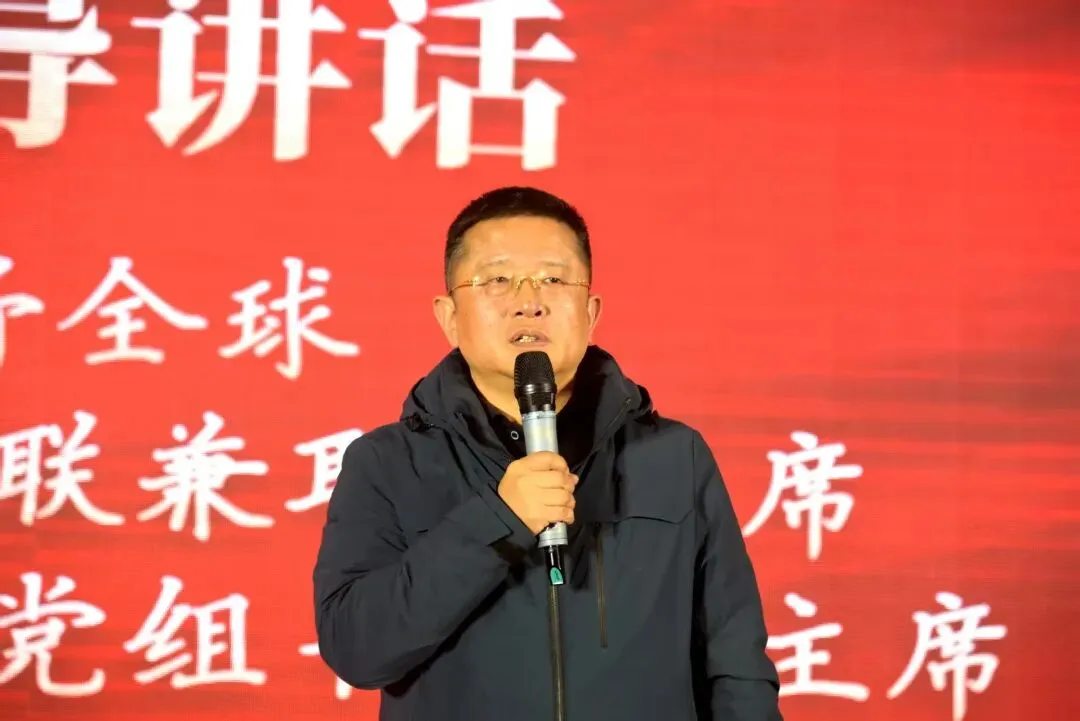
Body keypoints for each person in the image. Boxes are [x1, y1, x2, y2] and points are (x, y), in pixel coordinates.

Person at [313, 186, 782, 720]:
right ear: (449, 316)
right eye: (497, 280)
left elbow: (735, 661)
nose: (528, 300)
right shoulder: (385, 463)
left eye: (554, 280)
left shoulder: (674, 456)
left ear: (591, 310)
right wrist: (498, 519)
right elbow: (356, 648)